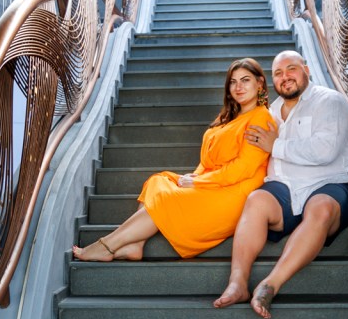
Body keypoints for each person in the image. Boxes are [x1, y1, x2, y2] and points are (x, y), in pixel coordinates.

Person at [72, 58, 276, 261]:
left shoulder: (260, 118)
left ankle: (107, 245)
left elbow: (242, 168)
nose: (238, 87)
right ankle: (135, 245)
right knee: (157, 181)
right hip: (214, 183)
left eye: (245, 80)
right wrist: (194, 177)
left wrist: (198, 182)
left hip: (234, 193)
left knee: (166, 198)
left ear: (259, 83)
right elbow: (207, 160)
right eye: (233, 81)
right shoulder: (228, 117)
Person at [212, 50, 348, 318]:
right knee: (256, 199)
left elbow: (325, 151)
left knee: (321, 208)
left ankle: (270, 285)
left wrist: (276, 145)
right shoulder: (270, 112)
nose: (285, 76)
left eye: (291, 69)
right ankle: (237, 283)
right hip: (285, 186)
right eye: (278, 73)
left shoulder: (330, 101)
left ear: (306, 70)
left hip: (329, 183)